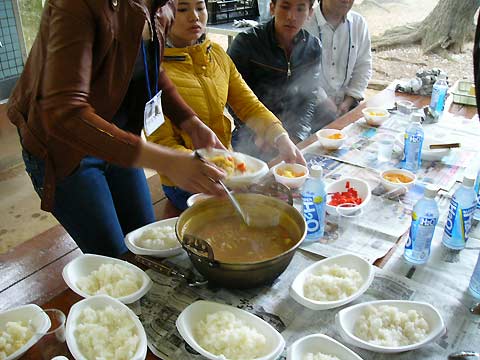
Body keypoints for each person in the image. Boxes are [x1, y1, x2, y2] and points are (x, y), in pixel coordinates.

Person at [6, 0, 228, 257]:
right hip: (65, 148)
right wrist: (167, 161)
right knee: (116, 260)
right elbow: (63, 113)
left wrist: (190, 122)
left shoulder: (162, 5)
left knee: (147, 245)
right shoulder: (76, 5)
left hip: (121, 139)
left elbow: (150, 69)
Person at [147, 0, 305, 210]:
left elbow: (249, 105)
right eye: (183, 9)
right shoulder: (153, 71)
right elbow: (161, 141)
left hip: (227, 171)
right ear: (162, 15)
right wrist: (205, 165)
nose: (194, 16)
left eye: (200, 7)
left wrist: (279, 136)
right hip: (185, 181)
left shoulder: (218, 56)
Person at [227, 0, 332, 156]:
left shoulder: (313, 47)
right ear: (272, 8)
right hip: (252, 133)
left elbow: (309, 97)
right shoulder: (246, 43)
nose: (291, 16)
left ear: (310, 13)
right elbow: (232, 96)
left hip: (293, 131)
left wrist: (298, 135)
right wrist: (259, 133)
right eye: (285, 7)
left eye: (300, 9)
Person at [304, 0, 372, 117]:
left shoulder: (358, 23)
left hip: (348, 104)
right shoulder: (305, 24)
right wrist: (323, 101)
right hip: (310, 107)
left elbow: (363, 66)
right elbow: (302, 73)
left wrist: (348, 101)